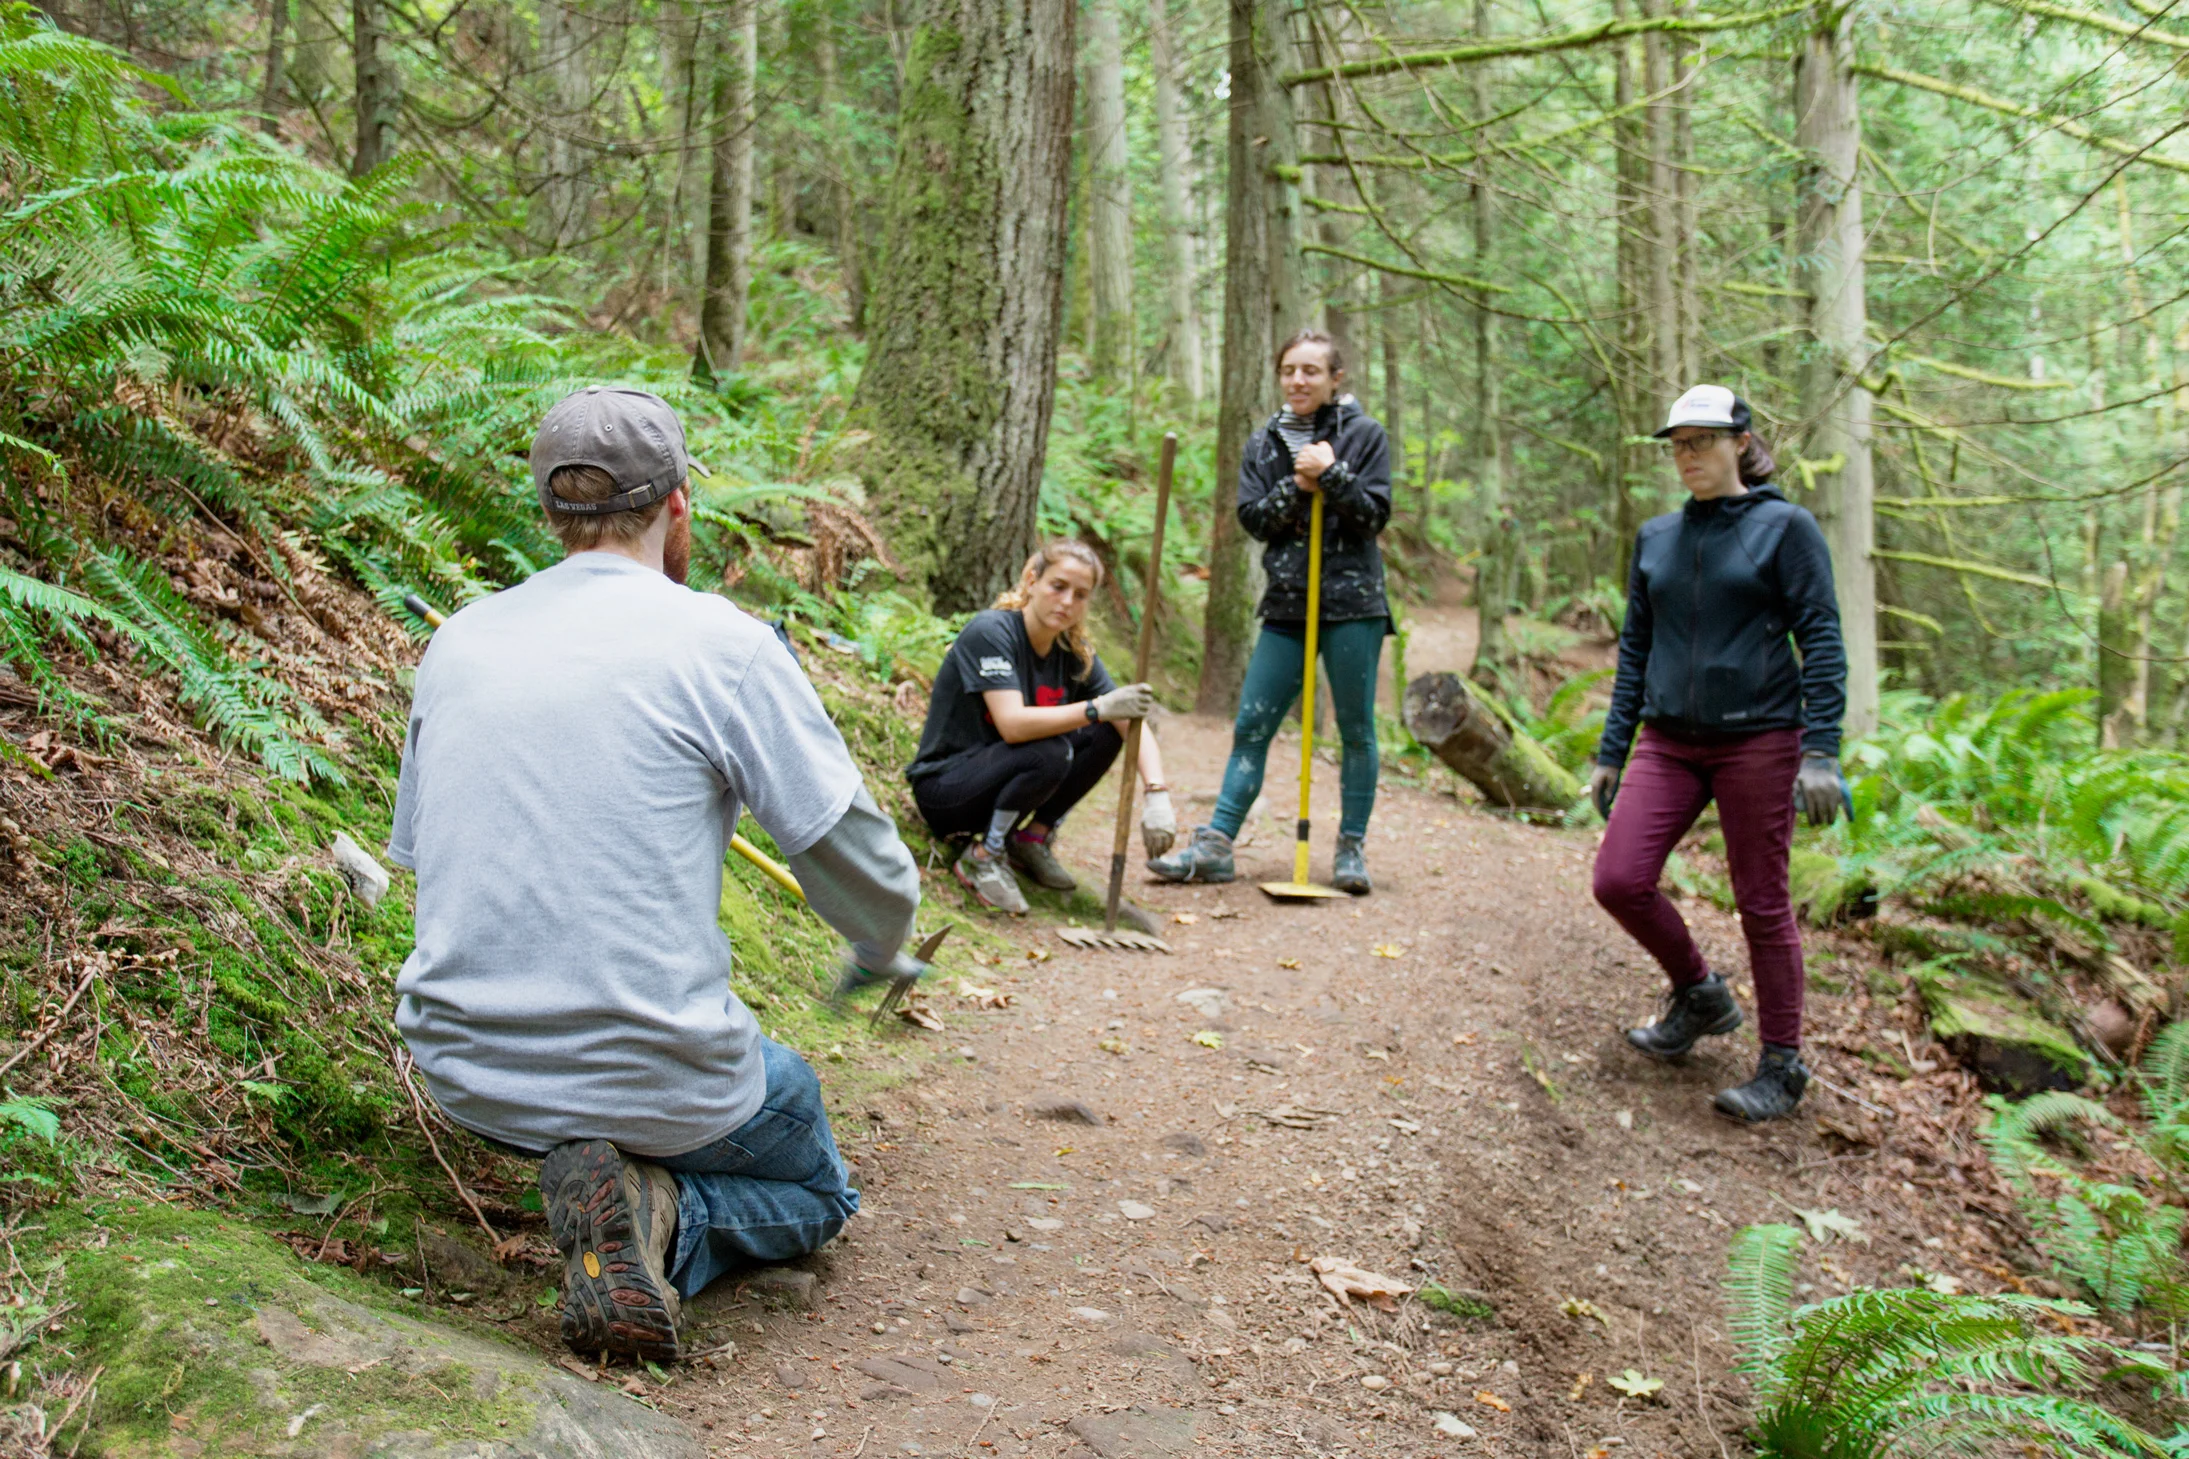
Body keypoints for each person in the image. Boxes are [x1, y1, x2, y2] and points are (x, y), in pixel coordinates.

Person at [388, 387, 928, 1363]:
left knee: (673, 1087)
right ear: (679, 504)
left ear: (550, 512)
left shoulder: (456, 642)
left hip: (465, 1072)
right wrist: (880, 943)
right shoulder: (723, 645)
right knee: (810, 1166)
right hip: (663, 1079)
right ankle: (664, 1214)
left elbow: (425, 859)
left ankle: (594, 1176)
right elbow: (855, 858)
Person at [1590, 384, 1849, 1124]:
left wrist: (1820, 751)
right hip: (1668, 739)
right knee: (1618, 877)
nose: (1687, 457)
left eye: (1700, 442)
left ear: (1739, 440)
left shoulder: (1784, 529)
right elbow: (1634, 648)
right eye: (1676, 445)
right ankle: (1700, 993)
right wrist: (1612, 749)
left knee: (1761, 901)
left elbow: (1822, 641)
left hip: (1760, 738)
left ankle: (1782, 1065)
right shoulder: (1657, 538)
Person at [1151, 328, 1392, 894]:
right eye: (1289, 370)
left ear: (1336, 378)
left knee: (1356, 729)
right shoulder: (1264, 442)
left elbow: (1375, 514)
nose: (1298, 380)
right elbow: (1253, 518)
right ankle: (1217, 845)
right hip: (1287, 602)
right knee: (1252, 723)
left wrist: (1331, 476)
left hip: (1353, 604)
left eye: (1311, 371)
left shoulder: (1365, 435)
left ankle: (1351, 848)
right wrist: (1299, 483)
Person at [906, 541, 1175, 914]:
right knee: (1051, 748)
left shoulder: (1074, 651)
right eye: (1058, 586)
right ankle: (983, 855)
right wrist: (1096, 708)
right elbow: (1013, 725)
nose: (1067, 601)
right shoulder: (991, 632)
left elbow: (1127, 719)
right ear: (1032, 581)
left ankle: (1030, 838)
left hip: (1003, 779)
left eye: (1080, 595)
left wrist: (1156, 793)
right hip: (948, 790)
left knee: (1104, 732)